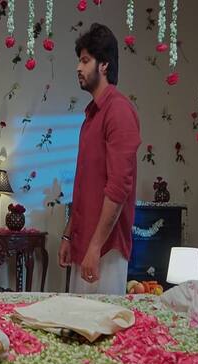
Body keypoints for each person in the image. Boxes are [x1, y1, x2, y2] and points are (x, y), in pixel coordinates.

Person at [58, 23, 141, 295]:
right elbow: (84, 187)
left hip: (105, 250)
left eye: (85, 61)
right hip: (84, 244)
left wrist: (95, 247)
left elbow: (118, 189)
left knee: (102, 321)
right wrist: (69, 234)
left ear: (104, 65)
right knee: (74, 320)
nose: (78, 68)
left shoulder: (119, 111)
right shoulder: (91, 115)